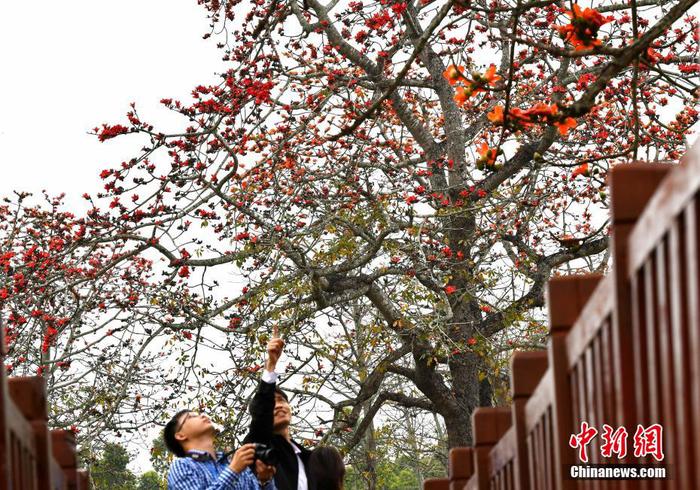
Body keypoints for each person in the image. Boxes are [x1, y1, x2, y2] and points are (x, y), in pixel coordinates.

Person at [244, 326, 311, 490]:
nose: (279, 405)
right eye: (272, 403)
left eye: (281, 400)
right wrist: (271, 364)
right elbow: (262, 412)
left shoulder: (308, 457)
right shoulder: (259, 446)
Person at [164, 408, 277, 489]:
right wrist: (233, 471)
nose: (203, 415)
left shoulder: (234, 465)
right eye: (192, 417)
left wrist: (265, 481)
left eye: (199, 414)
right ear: (180, 435)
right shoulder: (182, 465)